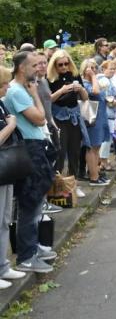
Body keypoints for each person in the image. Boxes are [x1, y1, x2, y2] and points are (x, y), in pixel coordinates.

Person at [4, 52, 56, 273]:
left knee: (34, 202)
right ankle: (26, 256)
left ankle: (32, 247)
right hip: (29, 149)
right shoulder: (17, 91)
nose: (39, 68)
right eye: (34, 65)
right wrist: (35, 94)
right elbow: (40, 118)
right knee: (30, 203)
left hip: (33, 147)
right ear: (21, 68)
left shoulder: (19, 89)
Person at [0, 67, 28, 287]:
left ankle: (3, 266)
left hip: (6, 168)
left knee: (4, 219)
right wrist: (11, 126)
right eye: (3, 84)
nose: (7, 87)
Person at [47, 49, 90, 191]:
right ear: (54, 65)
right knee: (60, 152)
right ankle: (57, 188)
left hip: (74, 116)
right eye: (60, 65)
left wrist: (80, 89)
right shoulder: (50, 79)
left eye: (66, 63)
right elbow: (47, 100)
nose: (64, 67)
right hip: (58, 116)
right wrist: (62, 90)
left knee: (75, 151)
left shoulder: (74, 75)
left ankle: (73, 185)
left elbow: (85, 98)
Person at [79, 59, 112, 184]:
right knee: (92, 147)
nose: (93, 70)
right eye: (90, 68)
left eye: (94, 68)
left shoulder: (95, 81)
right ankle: (93, 177)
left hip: (100, 116)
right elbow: (95, 92)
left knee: (97, 146)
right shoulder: (84, 83)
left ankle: (96, 172)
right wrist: (93, 76)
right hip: (92, 118)